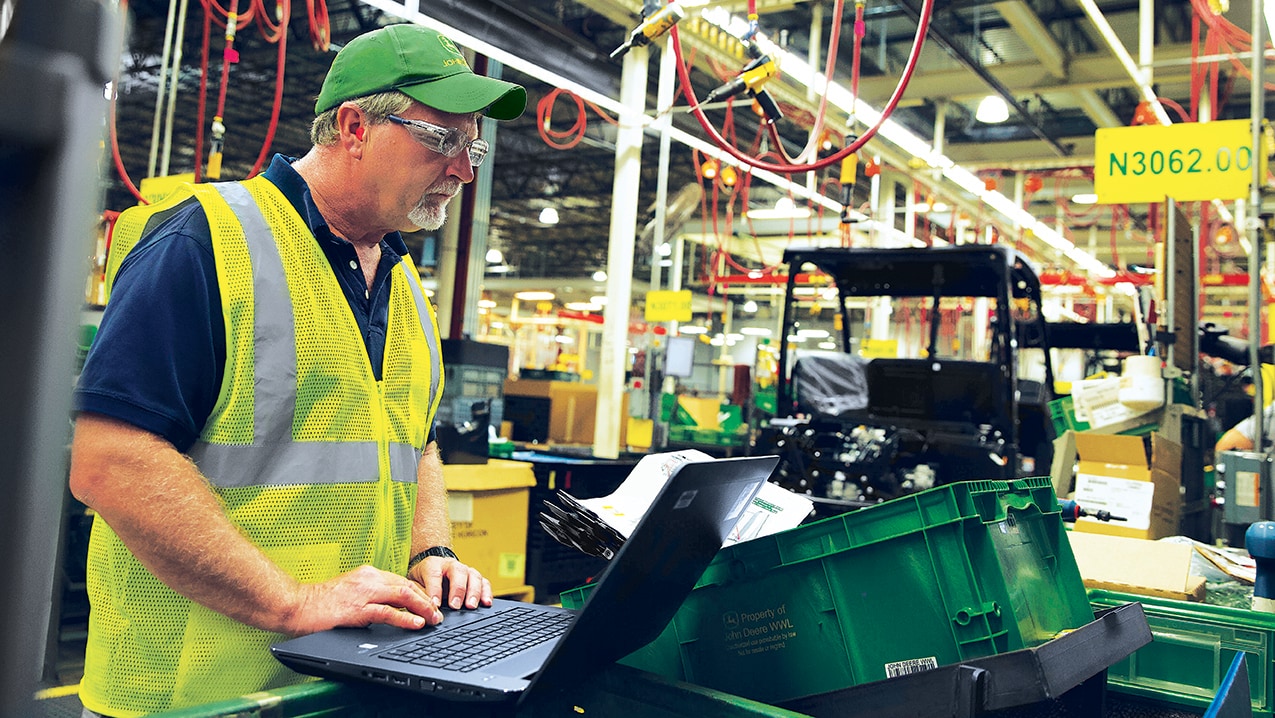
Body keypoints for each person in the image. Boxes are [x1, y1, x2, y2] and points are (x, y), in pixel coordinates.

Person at [68, 23, 526, 717]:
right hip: (195, 693)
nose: (464, 170)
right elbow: (110, 459)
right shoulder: (203, 241)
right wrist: (291, 602)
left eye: (473, 146)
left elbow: (415, 441)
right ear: (352, 126)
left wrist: (428, 550)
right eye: (442, 141)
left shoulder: (401, 283)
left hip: (338, 682)